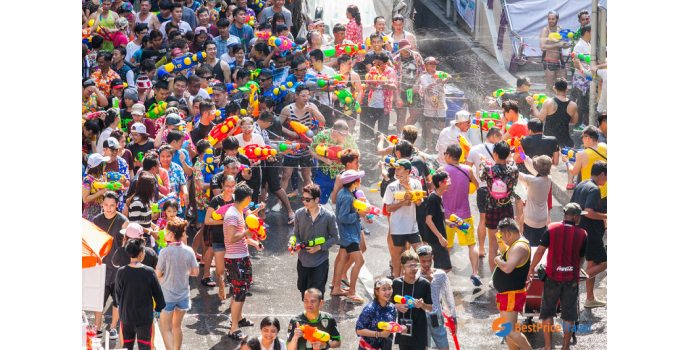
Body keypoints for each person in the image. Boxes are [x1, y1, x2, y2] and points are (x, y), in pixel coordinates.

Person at [528, 203, 588, 350]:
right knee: (569, 315)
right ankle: (565, 347)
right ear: (575, 217)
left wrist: (531, 268)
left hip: (552, 278)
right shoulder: (582, 234)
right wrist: (576, 270)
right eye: (579, 215)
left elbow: (540, 251)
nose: (580, 218)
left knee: (548, 312)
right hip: (570, 280)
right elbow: (581, 258)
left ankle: (548, 347)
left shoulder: (551, 228)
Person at [224, 184, 263, 340]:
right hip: (235, 259)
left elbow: (240, 235)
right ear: (247, 198)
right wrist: (247, 232)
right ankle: (234, 328)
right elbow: (231, 238)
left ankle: (239, 318)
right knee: (238, 293)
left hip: (241, 256)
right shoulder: (232, 215)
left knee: (241, 290)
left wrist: (253, 243)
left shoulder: (238, 212)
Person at [114, 238, 166, 350]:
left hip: (127, 315)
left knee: (127, 345)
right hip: (145, 316)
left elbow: (117, 294)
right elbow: (158, 293)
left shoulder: (121, 271)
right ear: (142, 253)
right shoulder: (149, 271)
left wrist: (120, 307)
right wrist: (158, 308)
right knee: (144, 345)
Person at [156, 219, 199, 350]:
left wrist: (166, 279)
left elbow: (158, 274)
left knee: (166, 329)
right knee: (177, 325)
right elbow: (195, 272)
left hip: (167, 295)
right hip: (183, 295)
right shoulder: (189, 250)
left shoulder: (164, 252)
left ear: (170, 234)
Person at [570, 160, 607, 308]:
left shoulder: (581, 184)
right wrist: (606, 216)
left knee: (592, 263)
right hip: (591, 234)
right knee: (604, 263)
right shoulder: (594, 189)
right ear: (602, 174)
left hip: (580, 231)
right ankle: (574, 280)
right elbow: (590, 213)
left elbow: (574, 207)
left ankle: (590, 298)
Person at [491, 218, 533, 350]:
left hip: (511, 294)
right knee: (510, 330)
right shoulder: (517, 243)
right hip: (510, 293)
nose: (503, 240)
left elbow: (508, 268)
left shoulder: (519, 247)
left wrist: (497, 260)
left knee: (508, 330)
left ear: (508, 233)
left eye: (502, 236)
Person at [441, 144, 481, 283]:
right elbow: (476, 186)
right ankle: (475, 273)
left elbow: (433, 189)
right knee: (472, 244)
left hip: (447, 217)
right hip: (465, 215)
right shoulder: (468, 170)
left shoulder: (442, 170)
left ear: (448, 156)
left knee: (446, 245)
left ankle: (444, 272)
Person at [93, 191, 129, 340]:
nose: (108, 208)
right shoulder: (96, 220)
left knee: (117, 299)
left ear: (117, 205)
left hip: (117, 267)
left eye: (111, 205)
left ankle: (113, 327)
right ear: (102, 204)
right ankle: (97, 327)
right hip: (100, 265)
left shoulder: (123, 221)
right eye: (106, 205)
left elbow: (125, 244)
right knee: (98, 300)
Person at [478, 141, 518, 273]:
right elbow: (514, 184)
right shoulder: (513, 170)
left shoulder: (488, 170)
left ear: (494, 154)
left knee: (493, 244)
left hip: (492, 208)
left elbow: (481, 176)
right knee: (509, 241)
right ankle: (508, 271)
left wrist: (483, 162)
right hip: (507, 208)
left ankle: (494, 277)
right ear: (507, 155)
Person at [294, 184, 340, 297]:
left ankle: (317, 314)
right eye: (303, 198)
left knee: (317, 295)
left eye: (308, 199)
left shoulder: (329, 216)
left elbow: (335, 237)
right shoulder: (299, 214)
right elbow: (296, 235)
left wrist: (319, 247)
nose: (305, 201)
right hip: (303, 260)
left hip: (320, 261)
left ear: (317, 199)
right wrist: (296, 246)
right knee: (304, 292)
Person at [279, 84, 325, 196]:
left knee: (306, 175)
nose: (306, 98)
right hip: (292, 146)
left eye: (307, 95)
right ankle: (279, 202)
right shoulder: (288, 110)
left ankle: (309, 199)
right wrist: (289, 132)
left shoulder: (311, 106)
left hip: (306, 146)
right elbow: (277, 125)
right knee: (286, 175)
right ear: (296, 96)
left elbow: (322, 121)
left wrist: (314, 111)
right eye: (303, 96)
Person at [330, 170, 367, 302]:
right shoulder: (346, 196)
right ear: (355, 182)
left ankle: (336, 288)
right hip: (349, 234)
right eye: (358, 178)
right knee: (360, 261)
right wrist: (359, 214)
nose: (360, 180)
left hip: (345, 233)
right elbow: (343, 217)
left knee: (342, 258)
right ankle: (352, 291)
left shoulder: (344, 193)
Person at [465, 126, 502, 257]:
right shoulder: (500, 150)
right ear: (494, 136)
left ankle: (481, 248)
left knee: (482, 219)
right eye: (500, 137)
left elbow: (467, 170)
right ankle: (496, 248)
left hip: (482, 189)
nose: (500, 141)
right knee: (497, 220)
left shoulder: (474, 150)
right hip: (498, 189)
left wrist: (475, 183)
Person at [383, 159, 424, 278]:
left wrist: (407, 186)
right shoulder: (391, 186)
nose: (396, 172)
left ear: (407, 171)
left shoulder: (416, 183)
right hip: (397, 228)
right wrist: (402, 203)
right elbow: (388, 209)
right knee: (398, 256)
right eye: (395, 169)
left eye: (399, 169)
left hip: (412, 227)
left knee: (421, 252)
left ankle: (420, 278)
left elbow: (419, 202)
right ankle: (397, 281)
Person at [417, 245, 456, 350]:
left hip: (436, 317)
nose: (427, 264)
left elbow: (448, 297)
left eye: (429, 261)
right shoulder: (414, 276)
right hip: (421, 319)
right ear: (418, 261)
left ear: (432, 258)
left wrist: (453, 318)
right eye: (423, 261)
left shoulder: (440, 275)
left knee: (444, 347)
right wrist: (427, 282)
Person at [392, 250, 433, 350]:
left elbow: (431, 308)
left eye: (416, 265)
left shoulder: (424, 284)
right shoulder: (396, 283)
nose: (413, 268)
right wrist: (396, 306)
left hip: (419, 330)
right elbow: (385, 303)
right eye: (410, 265)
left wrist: (422, 305)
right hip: (403, 328)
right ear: (403, 267)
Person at [309, 121, 358, 204]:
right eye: (343, 134)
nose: (345, 136)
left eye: (347, 134)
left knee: (343, 202)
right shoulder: (322, 136)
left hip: (341, 174)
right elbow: (311, 150)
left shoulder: (348, 138)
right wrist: (325, 160)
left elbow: (357, 153)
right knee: (316, 200)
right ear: (335, 132)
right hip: (324, 172)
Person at [204, 174, 236, 295]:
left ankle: (234, 289)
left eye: (233, 186)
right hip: (218, 238)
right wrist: (223, 221)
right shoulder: (216, 200)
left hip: (233, 239)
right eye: (227, 186)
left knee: (233, 268)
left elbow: (245, 215)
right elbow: (207, 220)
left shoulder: (236, 199)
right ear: (222, 186)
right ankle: (221, 286)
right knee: (220, 269)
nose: (230, 188)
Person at [516, 154, 553, 246]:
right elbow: (531, 165)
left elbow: (515, 172)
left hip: (531, 220)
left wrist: (518, 154)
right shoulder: (549, 179)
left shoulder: (531, 180)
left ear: (537, 168)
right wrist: (521, 153)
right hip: (543, 219)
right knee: (540, 245)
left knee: (529, 245)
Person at [361, 51, 397, 143]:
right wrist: (371, 86)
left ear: (385, 63)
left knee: (383, 131)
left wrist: (386, 85)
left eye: (379, 64)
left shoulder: (390, 72)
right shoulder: (373, 70)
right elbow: (367, 85)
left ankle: (380, 148)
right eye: (375, 62)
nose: (376, 65)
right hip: (372, 104)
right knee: (369, 128)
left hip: (384, 106)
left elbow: (394, 87)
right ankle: (370, 146)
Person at [355, 277, 399, 350]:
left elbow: (392, 325)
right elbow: (359, 330)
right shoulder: (370, 308)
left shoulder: (392, 307)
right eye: (384, 289)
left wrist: (400, 328)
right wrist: (379, 334)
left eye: (389, 288)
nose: (388, 292)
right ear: (377, 292)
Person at [392, 39, 425, 134]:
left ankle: (405, 131)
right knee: (401, 115)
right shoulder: (396, 60)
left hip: (414, 91)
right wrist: (397, 97)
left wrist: (416, 84)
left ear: (410, 47)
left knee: (416, 114)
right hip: (401, 91)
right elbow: (394, 79)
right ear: (399, 50)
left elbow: (423, 71)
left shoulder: (417, 56)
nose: (405, 51)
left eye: (407, 49)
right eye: (403, 50)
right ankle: (400, 137)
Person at [417, 57, 450, 151]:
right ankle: (430, 146)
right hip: (430, 103)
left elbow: (446, 78)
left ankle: (442, 147)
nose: (433, 65)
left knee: (441, 126)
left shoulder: (440, 73)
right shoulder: (424, 77)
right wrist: (436, 82)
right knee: (429, 126)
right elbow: (426, 88)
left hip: (440, 101)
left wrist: (446, 78)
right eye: (431, 63)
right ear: (426, 66)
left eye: (434, 63)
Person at [423, 170, 453, 273]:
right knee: (445, 268)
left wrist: (447, 222)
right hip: (435, 239)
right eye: (447, 181)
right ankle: (432, 284)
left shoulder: (439, 196)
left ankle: (433, 284)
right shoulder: (433, 198)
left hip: (437, 238)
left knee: (439, 268)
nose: (450, 183)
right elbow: (428, 220)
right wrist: (440, 237)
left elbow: (436, 216)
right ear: (440, 183)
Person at [563, 126, 607, 194]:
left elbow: (574, 172)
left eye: (582, 137)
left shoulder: (582, 154)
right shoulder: (605, 147)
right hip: (605, 193)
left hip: (589, 193)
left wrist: (567, 162)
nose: (582, 140)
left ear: (588, 138)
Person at [538, 78, 578, 149]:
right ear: (567, 89)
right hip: (565, 140)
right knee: (571, 156)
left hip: (549, 140)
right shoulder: (573, 105)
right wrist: (563, 119)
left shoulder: (548, 102)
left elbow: (540, 119)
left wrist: (532, 105)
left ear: (554, 88)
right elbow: (574, 122)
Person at [539, 10, 570, 94]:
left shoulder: (561, 29)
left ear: (557, 19)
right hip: (549, 62)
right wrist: (557, 44)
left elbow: (564, 45)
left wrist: (570, 44)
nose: (550, 21)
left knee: (563, 85)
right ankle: (547, 105)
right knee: (549, 86)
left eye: (553, 19)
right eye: (549, 19)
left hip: (560, 62)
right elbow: (542, 47)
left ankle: (562, 105)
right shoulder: (545, 30)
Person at [125, 171, 160, 246]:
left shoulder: (146, 200)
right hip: (138, 241)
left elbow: (145, 220)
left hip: (147, 238)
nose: (154, 188)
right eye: (153, 186)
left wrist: (155, 227)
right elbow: (135, 225)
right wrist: (151, 232)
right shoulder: (136, 202)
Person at [571, 24, 592, 129]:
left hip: (587, 78)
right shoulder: (579, 45)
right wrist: (585, 70)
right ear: (587, 32)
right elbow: (575, 62)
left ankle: (583, 123)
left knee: (585, 102)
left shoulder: (588, 44)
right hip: (581, 78)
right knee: (581, 103)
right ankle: (577, 124)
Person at [83, 154, 111, 221]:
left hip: (104, 211)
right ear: (98, 166)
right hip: (91, 214)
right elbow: (85, 199)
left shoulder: (103, 176)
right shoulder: (87, 180)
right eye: (103, 163)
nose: (105, 164)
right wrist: (101, 192)